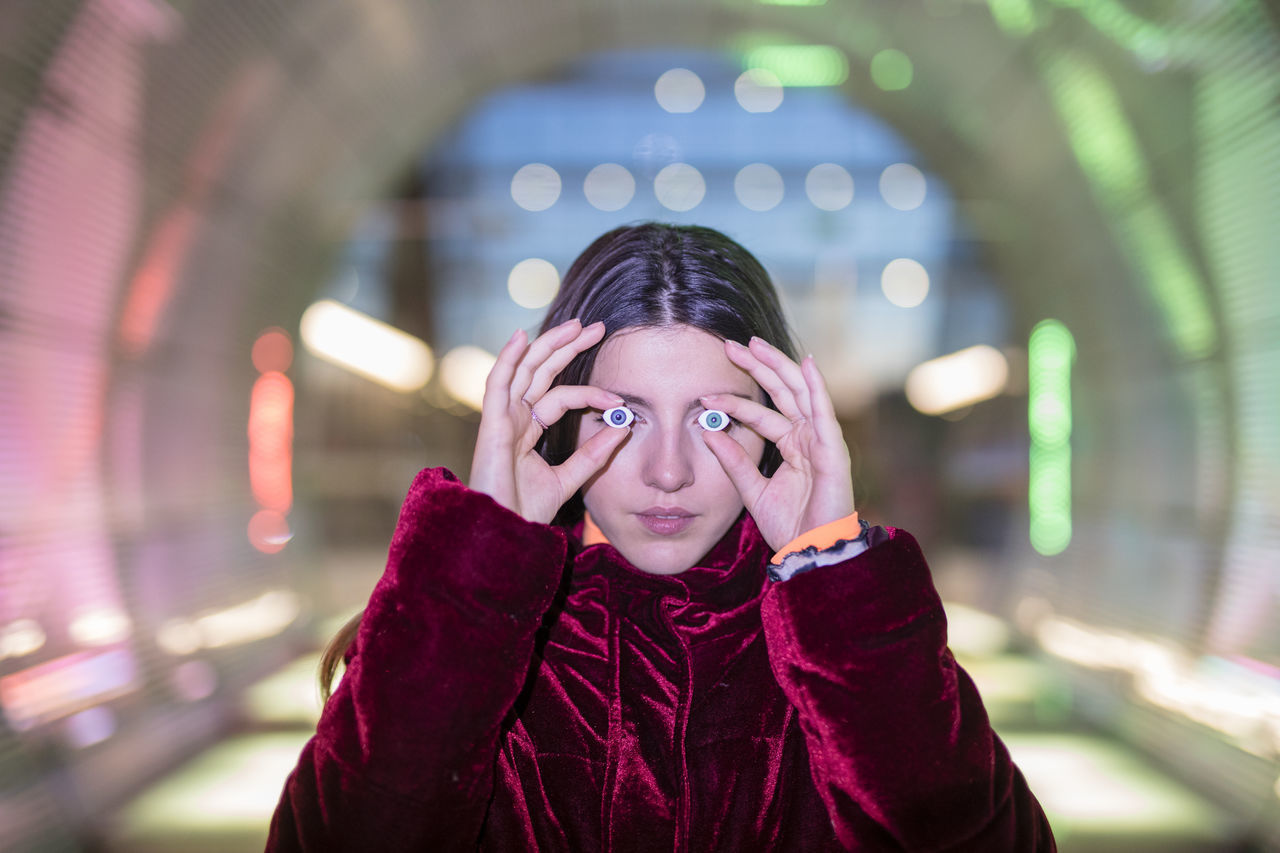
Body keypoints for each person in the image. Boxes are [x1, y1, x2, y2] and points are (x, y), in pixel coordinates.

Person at [267, 223, 1056, 851]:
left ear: (778, 428)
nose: (669, 471)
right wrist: (477, 560)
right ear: (557, 416)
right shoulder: (464, 637)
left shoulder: (844, 645)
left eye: (714, 418)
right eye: (623, 415)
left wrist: (836, 573)